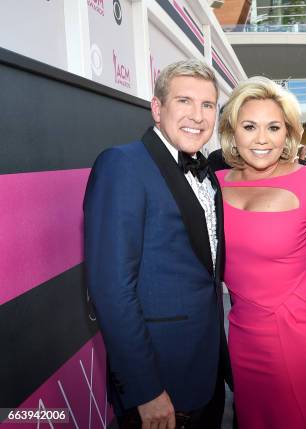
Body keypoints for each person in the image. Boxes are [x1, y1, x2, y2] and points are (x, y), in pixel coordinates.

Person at [84, 60, 230, 429]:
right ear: (157, 108)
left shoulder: (208, 176)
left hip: (206, 369)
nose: (197, 116)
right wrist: (144, 390)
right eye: (184, 101)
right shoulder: (123, 164)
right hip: (158, 382)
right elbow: (112, 290)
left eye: (207, 105)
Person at [216, 76, 306, 429]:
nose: (261, 139)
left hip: (299, 334)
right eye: (250, 126)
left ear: (287, 133)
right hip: (241, 333)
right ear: (231, 131)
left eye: (273, 127)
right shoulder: (216, 183)